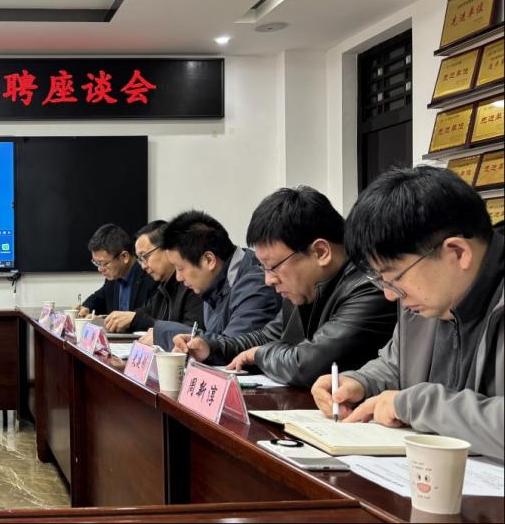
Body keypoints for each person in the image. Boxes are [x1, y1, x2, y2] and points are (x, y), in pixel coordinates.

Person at [311, 166, 503, 460]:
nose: (389, 295)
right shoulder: (426, 299)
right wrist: (360, 382)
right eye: (381, 281)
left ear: (457, 252)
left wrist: (415, 404)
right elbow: (395, 365)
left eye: (395, 278)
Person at [173, 187, 397, 387]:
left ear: (320, 252)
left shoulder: (370, 288)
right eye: (264, 269)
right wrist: (211, 348)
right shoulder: (303, 289)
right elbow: (266, 337)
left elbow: (308, 364)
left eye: (273, 267)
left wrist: (260, 355)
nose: (268, 280)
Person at [140, 210, 280, 349]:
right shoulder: (212, 284)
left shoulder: (256, 285)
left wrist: (166, 334)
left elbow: (232, 348)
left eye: (181, 268)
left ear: (209, 260)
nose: (178, 277)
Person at [103, 220, 203, 336]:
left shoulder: (192, 285)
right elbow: (144, 312)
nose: (143, 266)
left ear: (168, 249)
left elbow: (190, 334)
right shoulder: (164, 286)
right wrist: (123, 319)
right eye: (140, 260)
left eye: (145, 256)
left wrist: (136, 319)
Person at [77, 223, 155, 318]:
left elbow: (152, 316)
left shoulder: (151, 276)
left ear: (124, 257)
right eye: (96, 263)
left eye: (104, 263)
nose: (100, 269)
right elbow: (100, 296)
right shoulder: (114, 277)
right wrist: (86, 307)